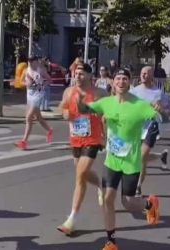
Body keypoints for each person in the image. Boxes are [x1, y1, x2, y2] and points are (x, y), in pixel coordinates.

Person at [77, 68, 160, 250]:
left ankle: (149, 204)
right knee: (107, 198)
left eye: (124, 79)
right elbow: (84, 108)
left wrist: (159, 113)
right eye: (118, 78)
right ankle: (111, 241)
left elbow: (158, 118)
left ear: (129, 82)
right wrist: (81, 94)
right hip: (112, 160)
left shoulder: (139, 104)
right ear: (113, 82)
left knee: (127, 202)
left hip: (131, 161)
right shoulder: (106, 102)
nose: (121, 81)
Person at [57, 63, 107, 235]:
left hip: (92, 139)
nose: (77, 76)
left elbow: (107, 114)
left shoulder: (99, 93)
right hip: (75, 139)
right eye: (75, 73)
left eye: (81, 73)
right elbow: (62, 106)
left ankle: (71, 219)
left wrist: (105, 136)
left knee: (80, 176)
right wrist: (64, 113)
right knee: (83, 173)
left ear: (89, 75)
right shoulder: (69, 92)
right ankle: (101, 185)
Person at [130, 66, 168, 196]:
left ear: (152, 76)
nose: (144, 75)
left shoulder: (158, 92)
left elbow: (167, 113)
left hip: (151, 127)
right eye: (142, 73)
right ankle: (160, 156)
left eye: (146, 73)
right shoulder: (133, 92)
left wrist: (161, 109)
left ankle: (137, 186)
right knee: (138, 157)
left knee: (142, 157)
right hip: (136, 127)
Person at [14, 56, 53, 149]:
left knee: (29, 117)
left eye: (32, 62)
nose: (30, 64)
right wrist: (26, 84)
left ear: (37, 62)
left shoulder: (41, 70)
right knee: (38, 117)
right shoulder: (26, 70)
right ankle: (49, 130)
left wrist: (43, 84)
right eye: (29, 62)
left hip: (38, 94)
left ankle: (24, 141)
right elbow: (20, 81)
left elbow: (49, 80)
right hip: (30, 94)